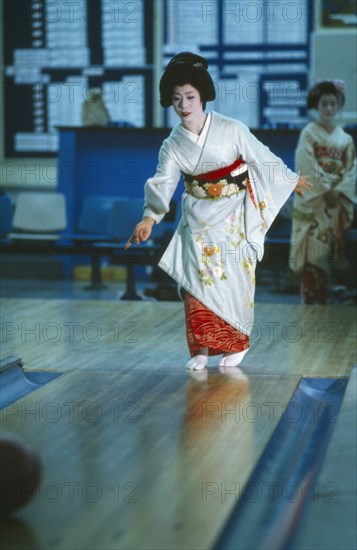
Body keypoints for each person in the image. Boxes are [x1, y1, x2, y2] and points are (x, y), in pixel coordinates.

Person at [126, 52, 310, 370]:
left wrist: (288, 180)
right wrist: (149, 217)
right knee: (195, 284)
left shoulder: (232, 128)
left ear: (202, 97)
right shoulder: (172, 145)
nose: (184, 105)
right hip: (197, 219)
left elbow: (260, 156)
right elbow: (163, 181)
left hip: (233, 215)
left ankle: (235, 343)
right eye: (177, 98)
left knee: (234, 281)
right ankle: (199, 349)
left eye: (190, 97)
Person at [289, 80, 356, 304]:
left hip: (334, 202)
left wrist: (338, 192)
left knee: (329, 251)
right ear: (316, 106)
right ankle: (310, 306)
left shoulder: (344, 138)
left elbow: (351, 169)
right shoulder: (308, 133)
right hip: (315, 201)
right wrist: (326, 190)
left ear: (339, 106)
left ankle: (325, 304)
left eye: (333, 104)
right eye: (324, 104)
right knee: (312, 253)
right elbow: (305, 163)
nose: (328, 109)